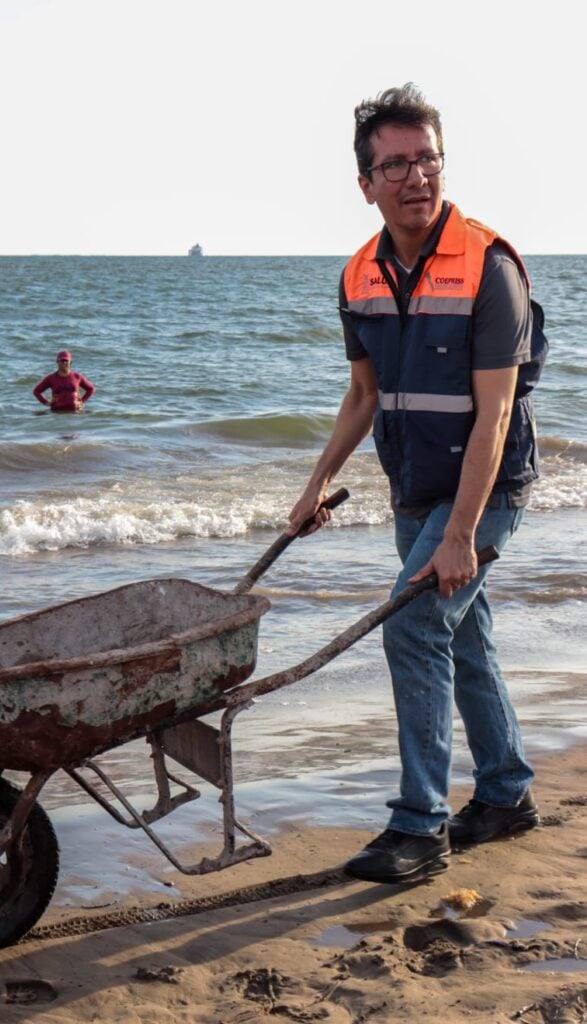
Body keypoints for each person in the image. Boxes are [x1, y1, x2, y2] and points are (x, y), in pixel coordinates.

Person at [287, 83, 548, 885]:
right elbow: (363, 395)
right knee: (461, 635)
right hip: (412, 489)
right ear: (364, 182)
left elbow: (494, 415)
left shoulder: (488, 267)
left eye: (425, 158)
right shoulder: (357, 276)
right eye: (393, 164)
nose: (414, 176)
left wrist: (464, 532)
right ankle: (503, 794)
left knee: (411, 629)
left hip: (486, 489)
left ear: (442, 165)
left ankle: (418, 826)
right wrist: (313, 485)